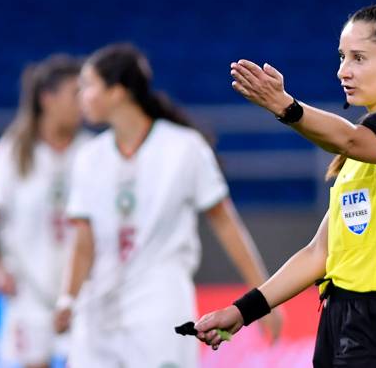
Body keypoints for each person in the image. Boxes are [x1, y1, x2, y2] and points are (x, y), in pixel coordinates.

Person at [194, 0, 376, 368]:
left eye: (359, 58)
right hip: (339, 318)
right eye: (342, 57)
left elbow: (351, 139)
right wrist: (241, 311)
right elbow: (319, 255)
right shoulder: (354, 165)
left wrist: (286, 107)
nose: (344, 71)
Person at [54, 42, 283, 368]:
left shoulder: (184, 148)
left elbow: (225, 223)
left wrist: (261, 299)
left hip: (160, 305)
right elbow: (83, 244)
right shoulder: (89, 157)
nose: (81, 97)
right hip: (99, 309)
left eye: (88, 86)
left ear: (117, 92)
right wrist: (68, 298)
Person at [0, 54, 89, 368]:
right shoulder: (14, 151)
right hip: (29, 291)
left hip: (82, 291)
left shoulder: (92, 151)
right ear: (47, 99)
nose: (84, 101)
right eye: (75, 93)